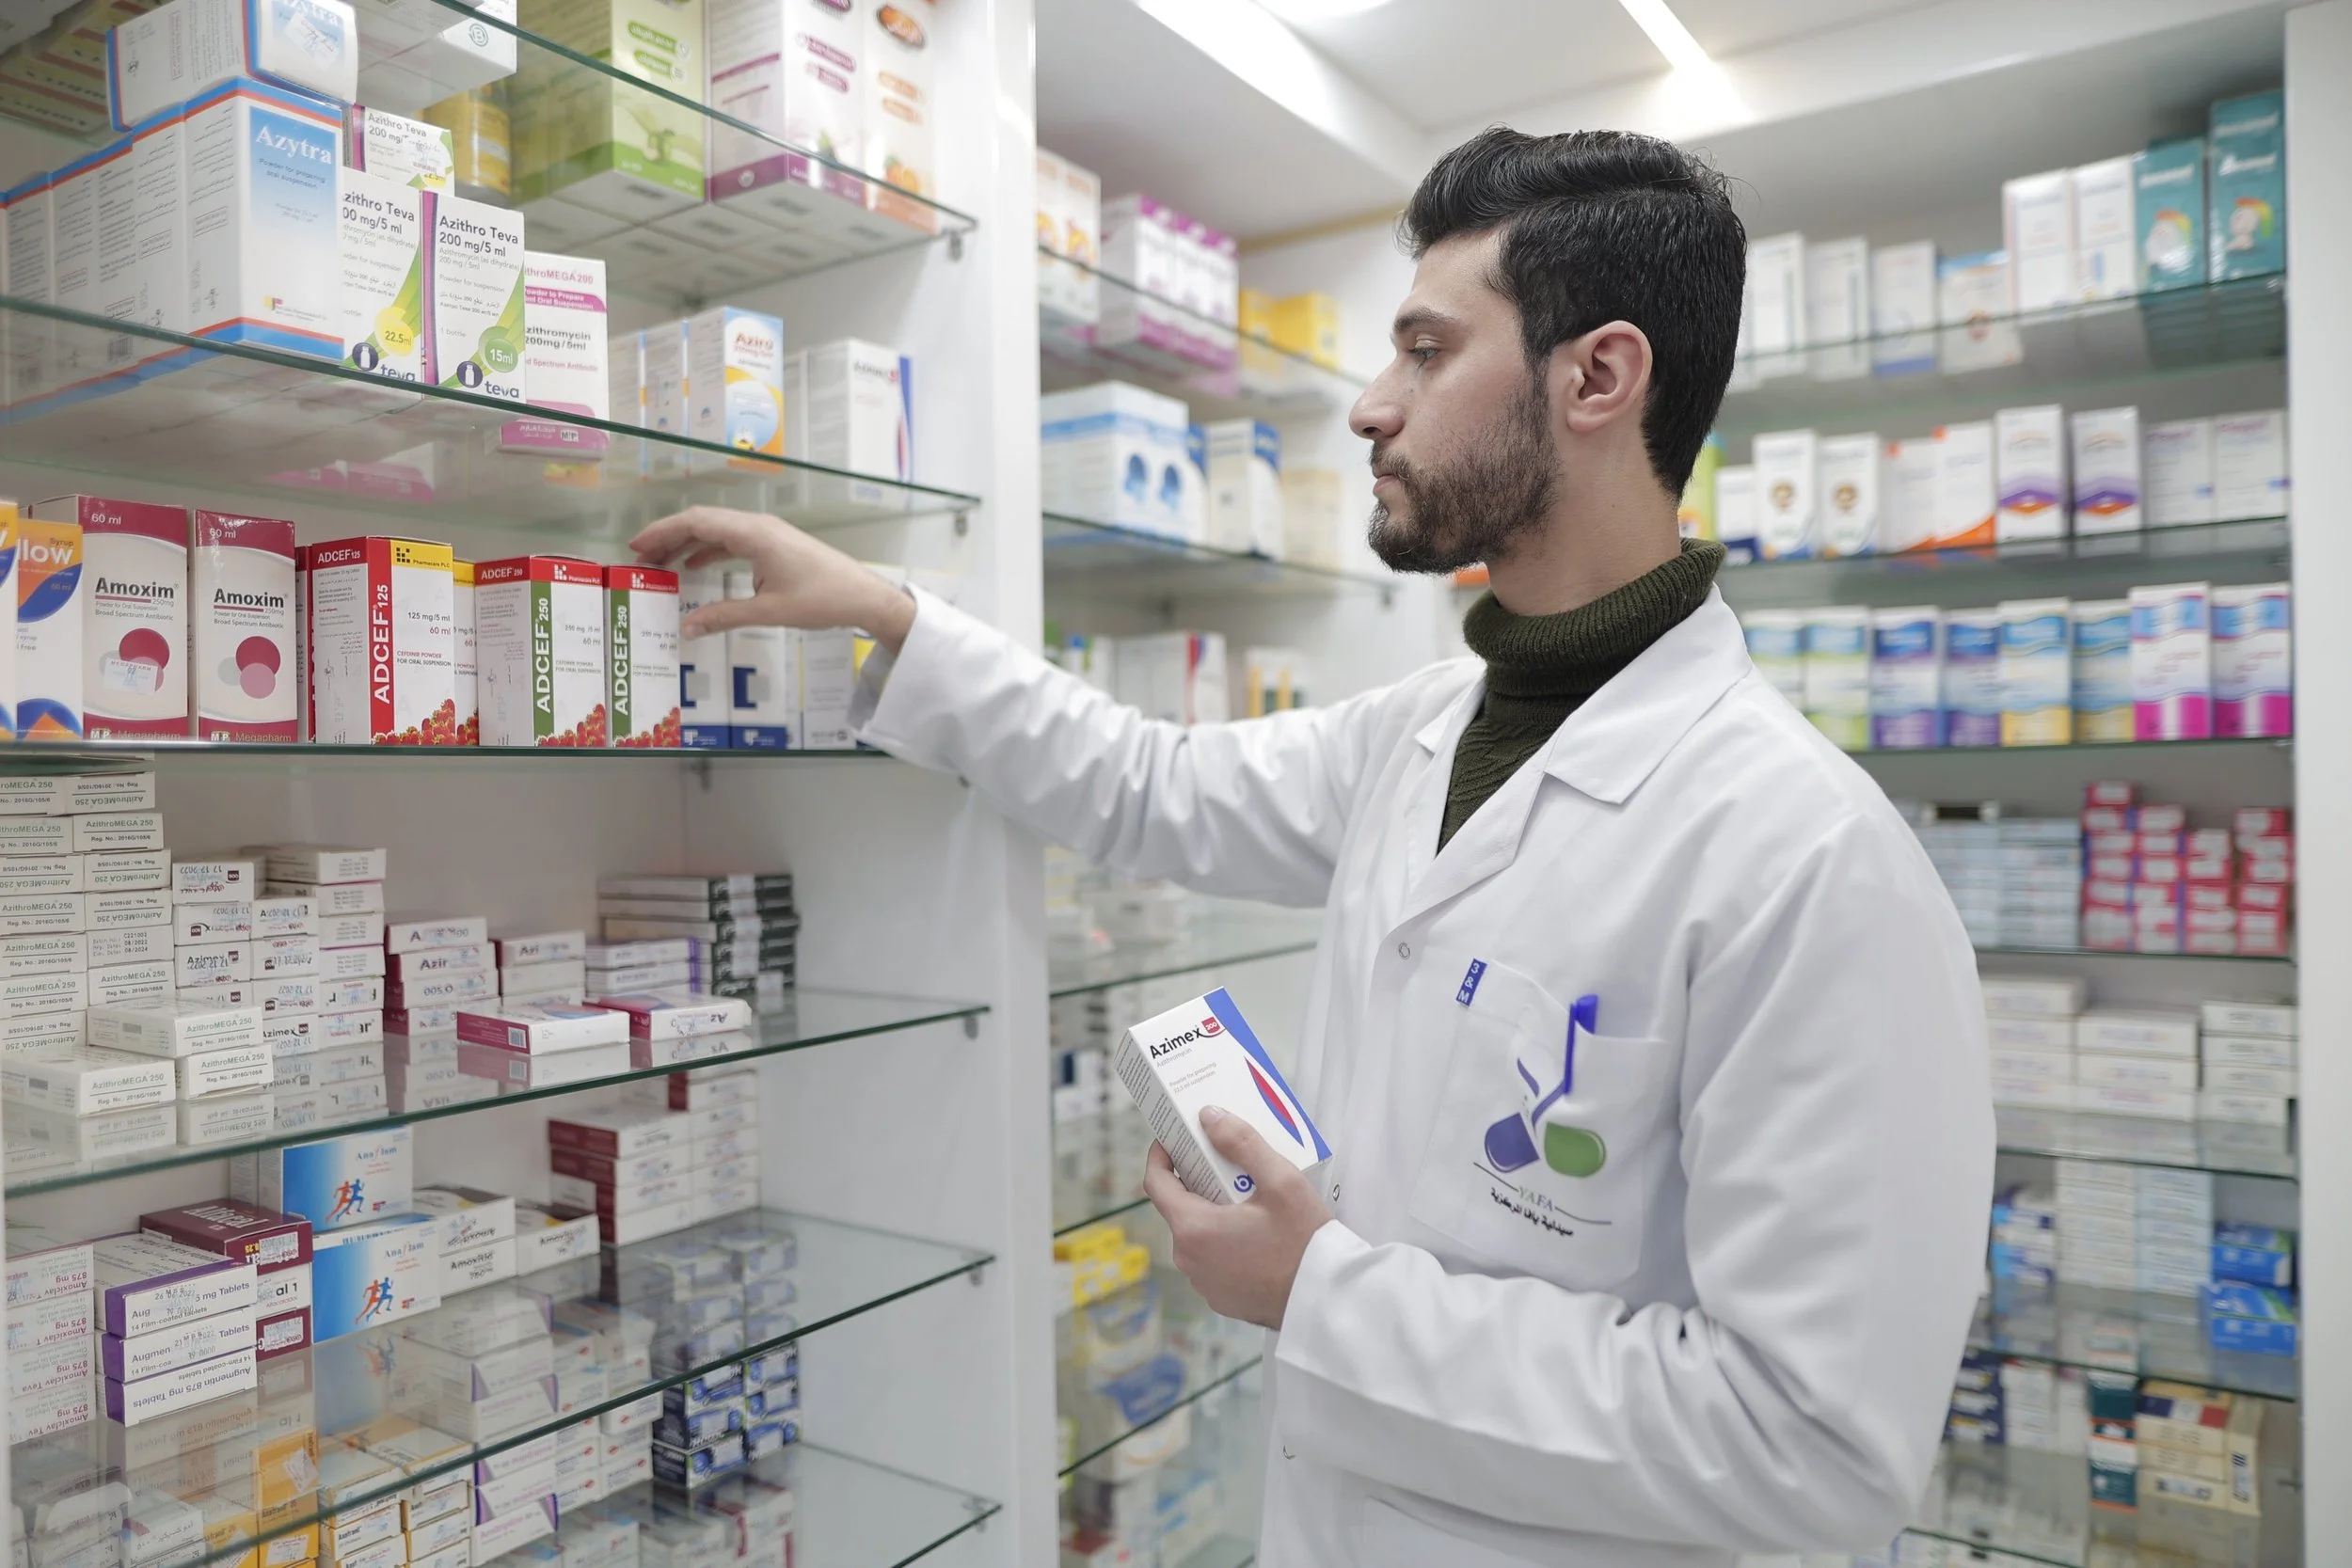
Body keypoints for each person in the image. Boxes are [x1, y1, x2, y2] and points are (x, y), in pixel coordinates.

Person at [630, 127, 1993, 1568]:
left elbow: (1815, 1447)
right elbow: (1148, 784)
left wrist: (1323, 1296)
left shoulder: (1809, 856)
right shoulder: (1421, 731)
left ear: (1598, 377)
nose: (1368, 406)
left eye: (1425, 351)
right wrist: (891, 615)